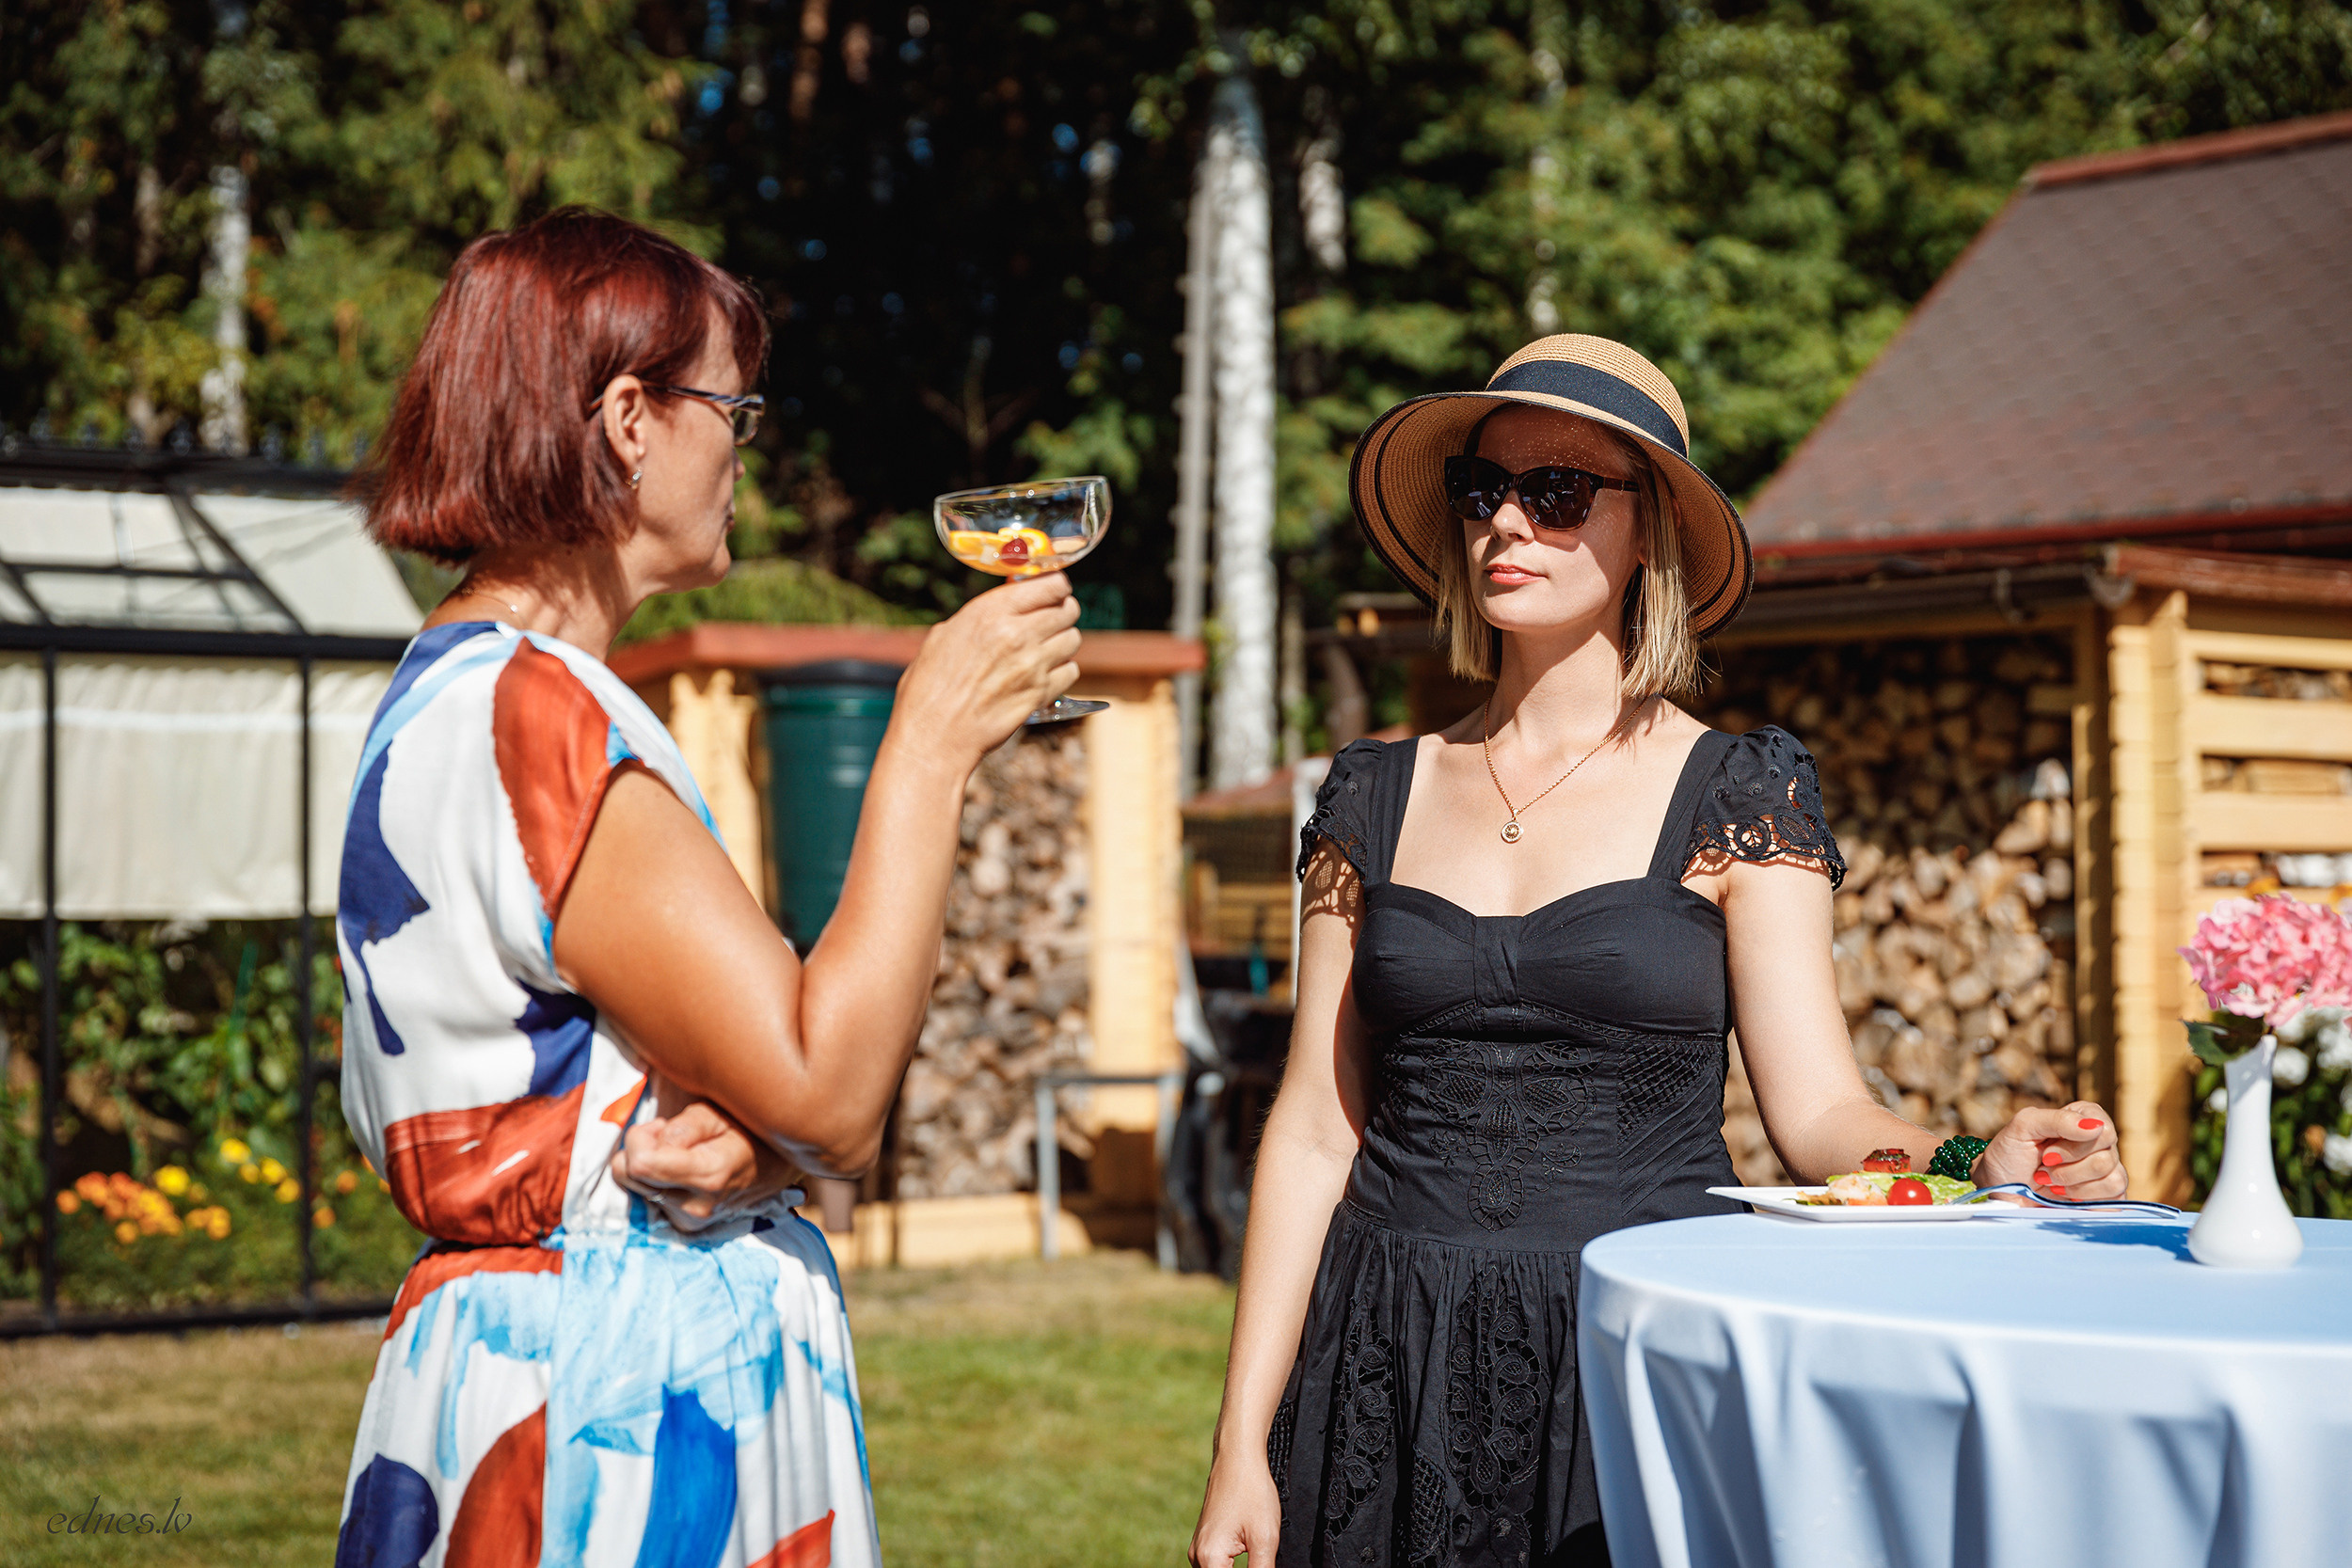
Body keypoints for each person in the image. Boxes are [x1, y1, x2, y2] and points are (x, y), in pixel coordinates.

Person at [1188, 335, 2127, 1568]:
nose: (1506, 523)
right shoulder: (1370, 793)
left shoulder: (1740, 793)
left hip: (1631, 1346)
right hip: (1381, 1351)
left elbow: (1821, 1111)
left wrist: (1970, 1160)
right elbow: (1314, 1127)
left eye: (1557, 492)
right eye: (1483, 491)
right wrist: (1240, 1443)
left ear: (1653, 536)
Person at [332, 208, 1080, 1568]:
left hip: (517, 1374)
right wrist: (927, 742)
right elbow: (831, 1085)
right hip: (615, 1412)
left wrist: (748, 1140)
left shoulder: (448, 692)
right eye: (733, 406)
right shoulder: (543, 721)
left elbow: (579, 1081)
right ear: (629, 417)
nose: (744, 444)